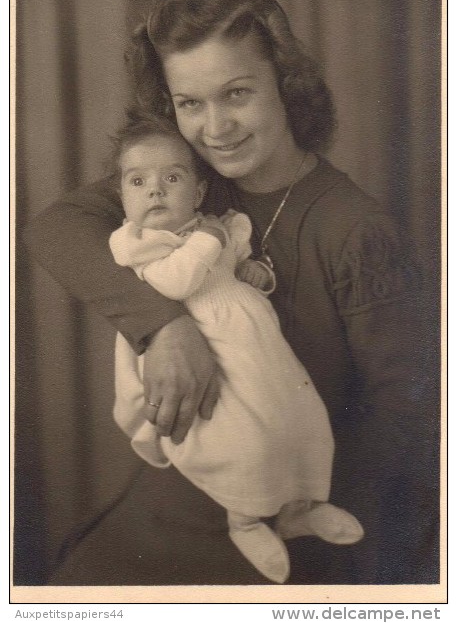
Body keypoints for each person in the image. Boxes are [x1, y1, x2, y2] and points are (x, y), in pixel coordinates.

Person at [24, 0, 438, 585]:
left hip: (291, 517)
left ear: (286, 86)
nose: (214, 129)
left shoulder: (356, 229)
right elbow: (54, 227)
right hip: (177, 492)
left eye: (237, 93)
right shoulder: (185, 181)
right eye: (190, 103)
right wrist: (162, 326)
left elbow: (412, 425)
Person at [109, 117, 364, 583]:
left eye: (172, 178)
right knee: (244, 442)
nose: (155, 192)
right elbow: (176, 281)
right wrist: (210, 239)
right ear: (123, 195)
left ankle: (299, 510)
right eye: (138, 181)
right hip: (207, 355)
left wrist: (257, 277)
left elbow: (241, 267)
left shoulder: (221, 229)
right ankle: (245, 520)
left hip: (259, 350)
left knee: (295, 417)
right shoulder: (138, 243)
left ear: (199, 192)